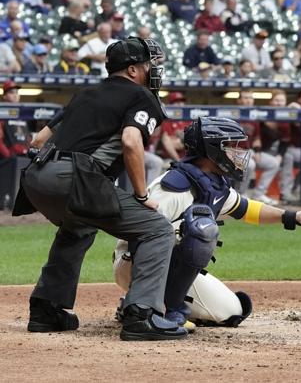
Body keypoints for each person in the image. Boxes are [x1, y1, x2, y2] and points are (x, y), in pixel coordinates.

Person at [15, 37, 187, 341]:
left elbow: (38, 141)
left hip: (35, 177)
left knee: (78, 226)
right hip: (75, 177)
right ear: (133, 70)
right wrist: (141, 195)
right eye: (149, 65)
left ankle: (46, 310)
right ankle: (141, 314)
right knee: (157, 230)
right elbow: (131, 143)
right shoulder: (142, 97)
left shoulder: (85, 92)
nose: (153, 70)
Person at [112, 115, 301, 331]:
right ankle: (146, 305)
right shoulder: (175, 186)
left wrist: (295, 217)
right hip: (134, 262)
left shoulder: (212, 183)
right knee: (201, 227)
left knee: (231, 311)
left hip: (162, 264)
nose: (237, 152)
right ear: (212, 150)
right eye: (230, 146)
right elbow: (140, 234)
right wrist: (144, 287)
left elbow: (246, 209)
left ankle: (149, 301)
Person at [235, 89, 281, 204]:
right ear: (239, 100)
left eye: (250, 98)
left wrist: (258, 151)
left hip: (249, 151)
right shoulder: (233, 114)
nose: (248, 101)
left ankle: (258, 194)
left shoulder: (253, 117)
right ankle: (240, 194)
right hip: (233, 151)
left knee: (273, 163)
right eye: (245, 98)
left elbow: (256, 138)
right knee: (250, 165)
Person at [0, 80, 31, 159]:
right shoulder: (2, 114)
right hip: (8, 161)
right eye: (11, 92)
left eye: (17, 92)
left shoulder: (22, 115)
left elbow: (28, 138)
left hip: (25, 157)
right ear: (4, 96)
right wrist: (9, 157)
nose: (15, 95)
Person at [159, 92, 192, 162]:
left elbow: (188, 142)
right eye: (176, 102)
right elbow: (168, 142)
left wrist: (181, 140)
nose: (180, 104)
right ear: (171, 105)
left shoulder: (188, 120)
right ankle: (179, 162)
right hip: (170, 158)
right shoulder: (167, 121)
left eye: (182, 101)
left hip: (188, 157)